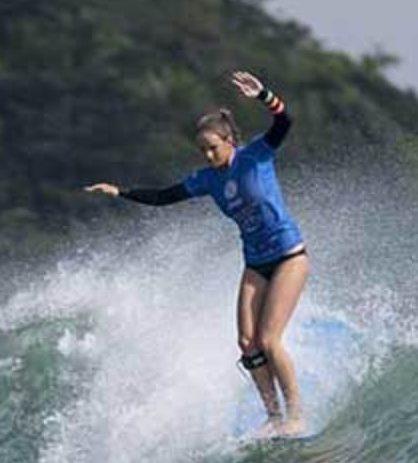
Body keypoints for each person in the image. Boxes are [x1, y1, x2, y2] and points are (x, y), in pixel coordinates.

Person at [85, 71, 309, 437]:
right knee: (247, 345)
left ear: (229, 140)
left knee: (269, 340)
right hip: (255, 262)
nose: (208, 155)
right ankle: (273, 416)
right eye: (203, 150)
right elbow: (163, 197)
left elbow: (285, 121)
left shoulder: (256, 155)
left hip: (288, 255)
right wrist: (120, 191)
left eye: (213, 147)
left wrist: (264, 95)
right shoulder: (207, 179)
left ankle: (296, 415)